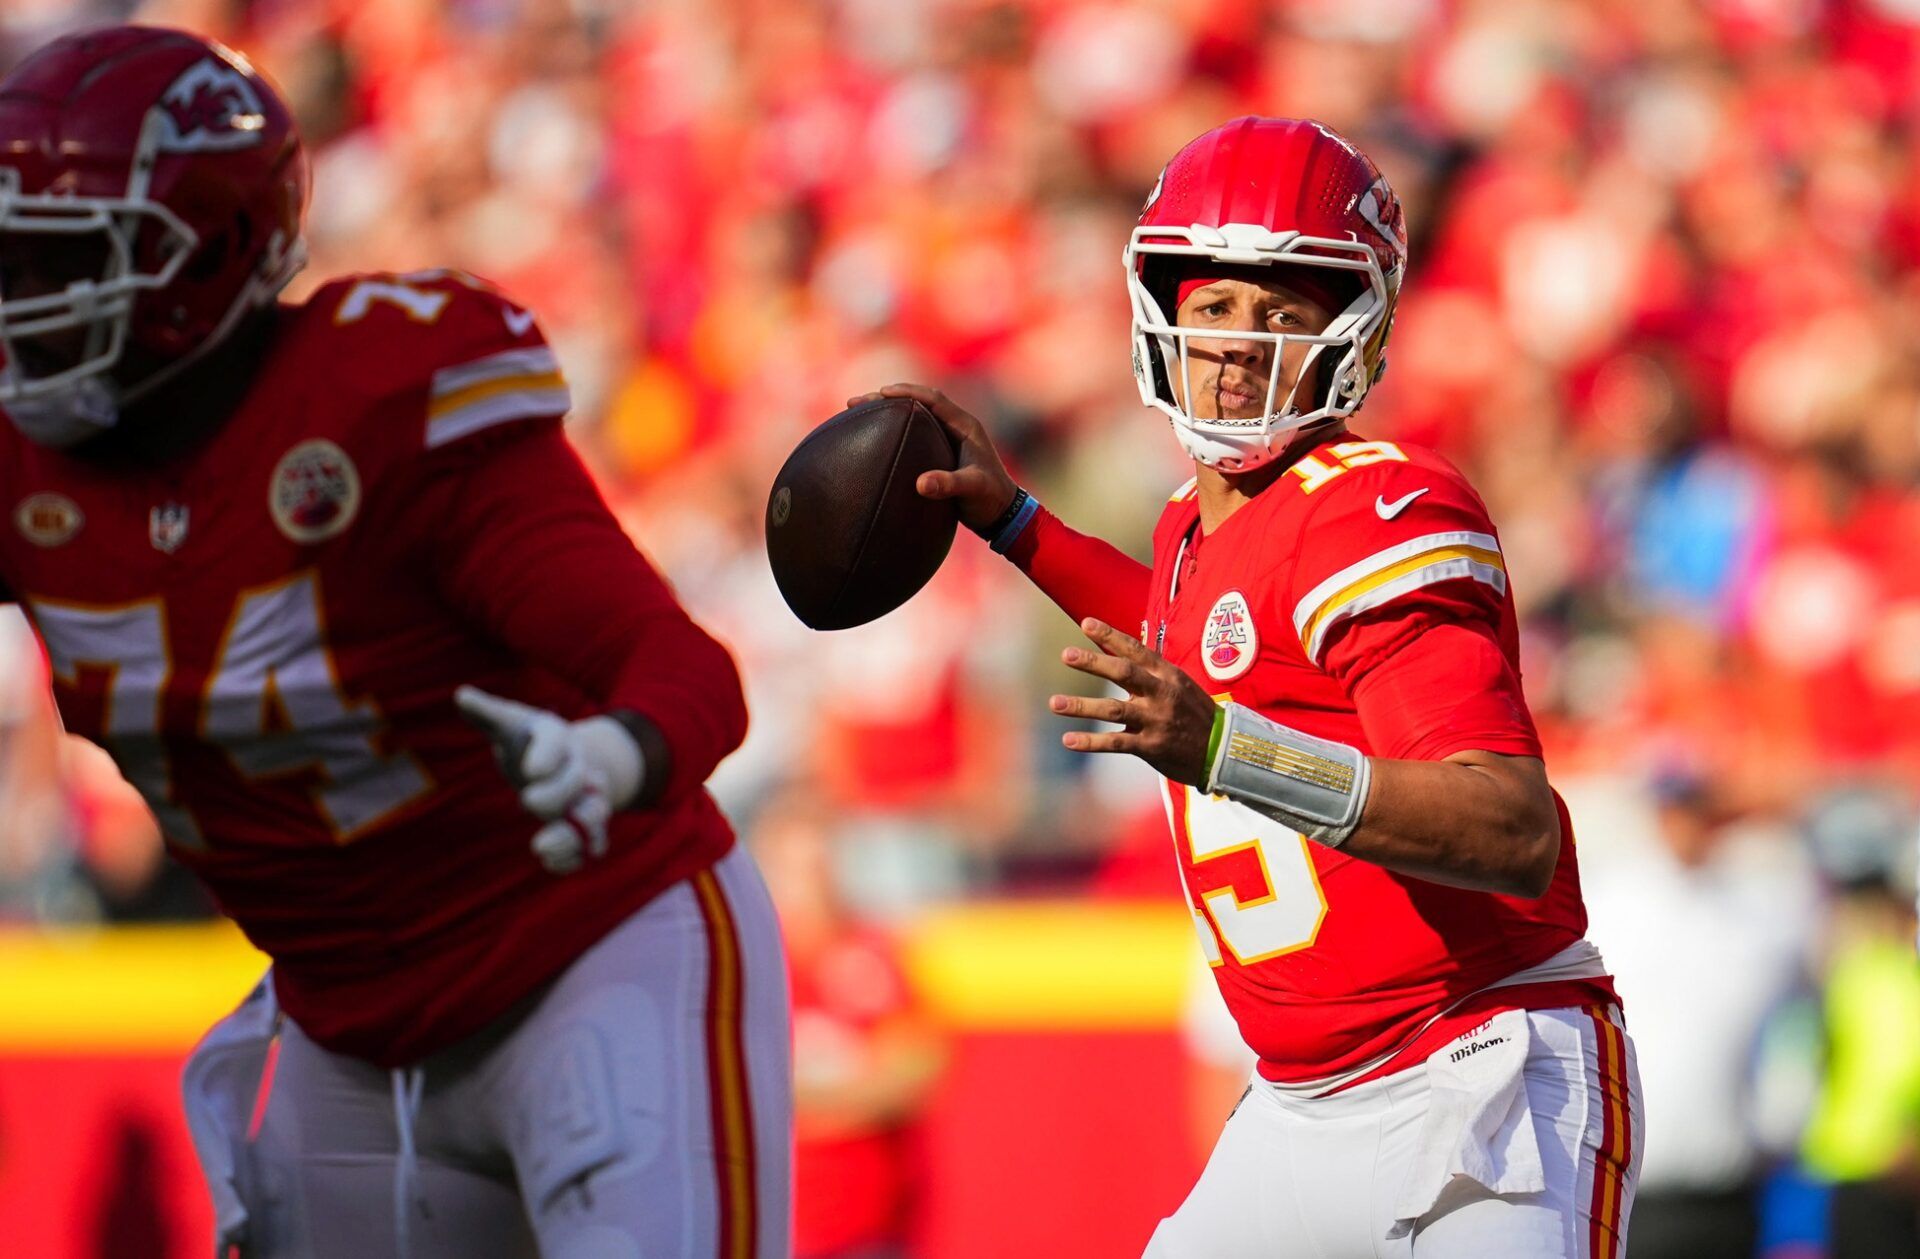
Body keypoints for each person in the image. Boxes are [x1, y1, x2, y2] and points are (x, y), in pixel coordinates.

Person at [0, 26, 788, 1259]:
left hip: (589, 949)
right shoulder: (22, 466)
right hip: (347, 1024)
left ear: (201, 253)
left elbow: (684, 669)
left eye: (54, 263)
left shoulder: (384, 401)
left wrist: (615, 760)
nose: (20, 306)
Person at [856, 116, 1643, 1257]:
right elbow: (1212, 638)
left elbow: (1508, 824)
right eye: (1216, 305)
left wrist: (1226, 749)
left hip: (1473, 1074)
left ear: (1355, 328)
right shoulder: (1197, 522)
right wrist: (1018, 524)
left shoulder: (1386, 506)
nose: (1237, 344)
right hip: (1297, 1100)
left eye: (1282, 311)